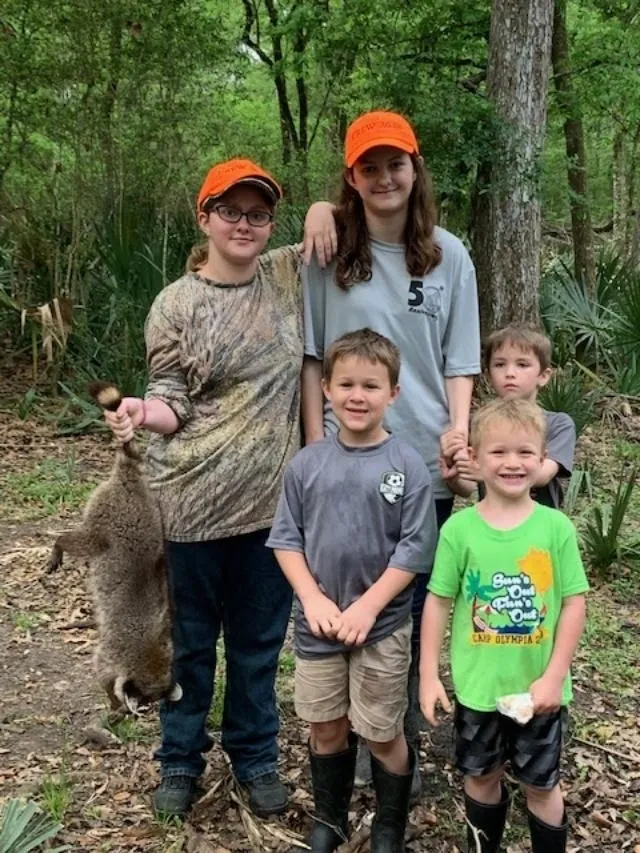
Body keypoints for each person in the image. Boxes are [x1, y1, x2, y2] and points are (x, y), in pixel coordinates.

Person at [101, 158, 304, 819]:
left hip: (269, 511)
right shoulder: (176, 304)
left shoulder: (287, 278)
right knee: (188, 645)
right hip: (186, 509)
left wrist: (328, 211)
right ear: (205, 217)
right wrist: (139, 410)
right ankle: (181, 760)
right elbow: (169, 398)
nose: (245, 224)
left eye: (258, 213)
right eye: (231, 211)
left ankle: (255, 755)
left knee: (257, 646)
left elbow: (344, 232)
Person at [301, 109, 481, 791]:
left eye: (395, 164)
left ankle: (399, 736)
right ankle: (337, 743)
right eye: (368, 166)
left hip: (425, 458)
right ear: (351, 177)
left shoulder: (448, 254)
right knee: (345, 597)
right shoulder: (329, 253)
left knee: (410, 602)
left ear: (415, 168)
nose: (384, 177)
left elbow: (460, 356)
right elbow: (312, 359)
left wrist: (457, 434)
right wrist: (315, 450)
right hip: (343, 460)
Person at [267, 329, 437, 852]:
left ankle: (389, 827)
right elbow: (286, 539)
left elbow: (414, 550)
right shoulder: (307, 464)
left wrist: (367, 606)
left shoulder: (407, 465)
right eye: (345, 384)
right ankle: (331, 821)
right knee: (326, 727)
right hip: (317, 625)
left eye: (370, 385)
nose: (357, 395)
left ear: (394, 393)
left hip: (380, 627)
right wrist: (314, 599)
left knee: (383, 731)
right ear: (327, 391)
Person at [420, 398, 588, 853]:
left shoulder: (556, 529)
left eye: (524, 453)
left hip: (539, 691)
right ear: (474, 457)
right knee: (480, 776)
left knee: (542, 783)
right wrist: (429, 675)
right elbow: (437, 602)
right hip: (479, 688)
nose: (512, 463)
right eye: (498, 452)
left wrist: (554, 677)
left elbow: (574, 603)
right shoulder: (460, 531)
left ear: (541, 459)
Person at [441, 325, 576, 507]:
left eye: (522, 364)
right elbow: (467, 488)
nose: (510, 373)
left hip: (540, 528)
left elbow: (543, 474)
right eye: (499, 364)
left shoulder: (558, 424)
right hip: (490, 525)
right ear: (488, 374)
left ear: (543, 376)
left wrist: (486, 473)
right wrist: (454, 475)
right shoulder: (479, 424)